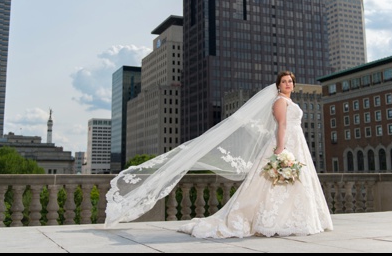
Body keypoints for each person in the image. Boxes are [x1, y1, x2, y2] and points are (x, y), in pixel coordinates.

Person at [105, 71, 333, 238]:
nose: (287, 84)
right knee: (271, 183)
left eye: (290, 82)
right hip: (285, 143)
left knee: (290, 183)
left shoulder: (290, 100)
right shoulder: (280, 102)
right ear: (278, 85)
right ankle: (271, 220)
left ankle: (293, 218)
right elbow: (281, 125)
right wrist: (281, 149)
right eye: (284, 82)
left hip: (297, 142)